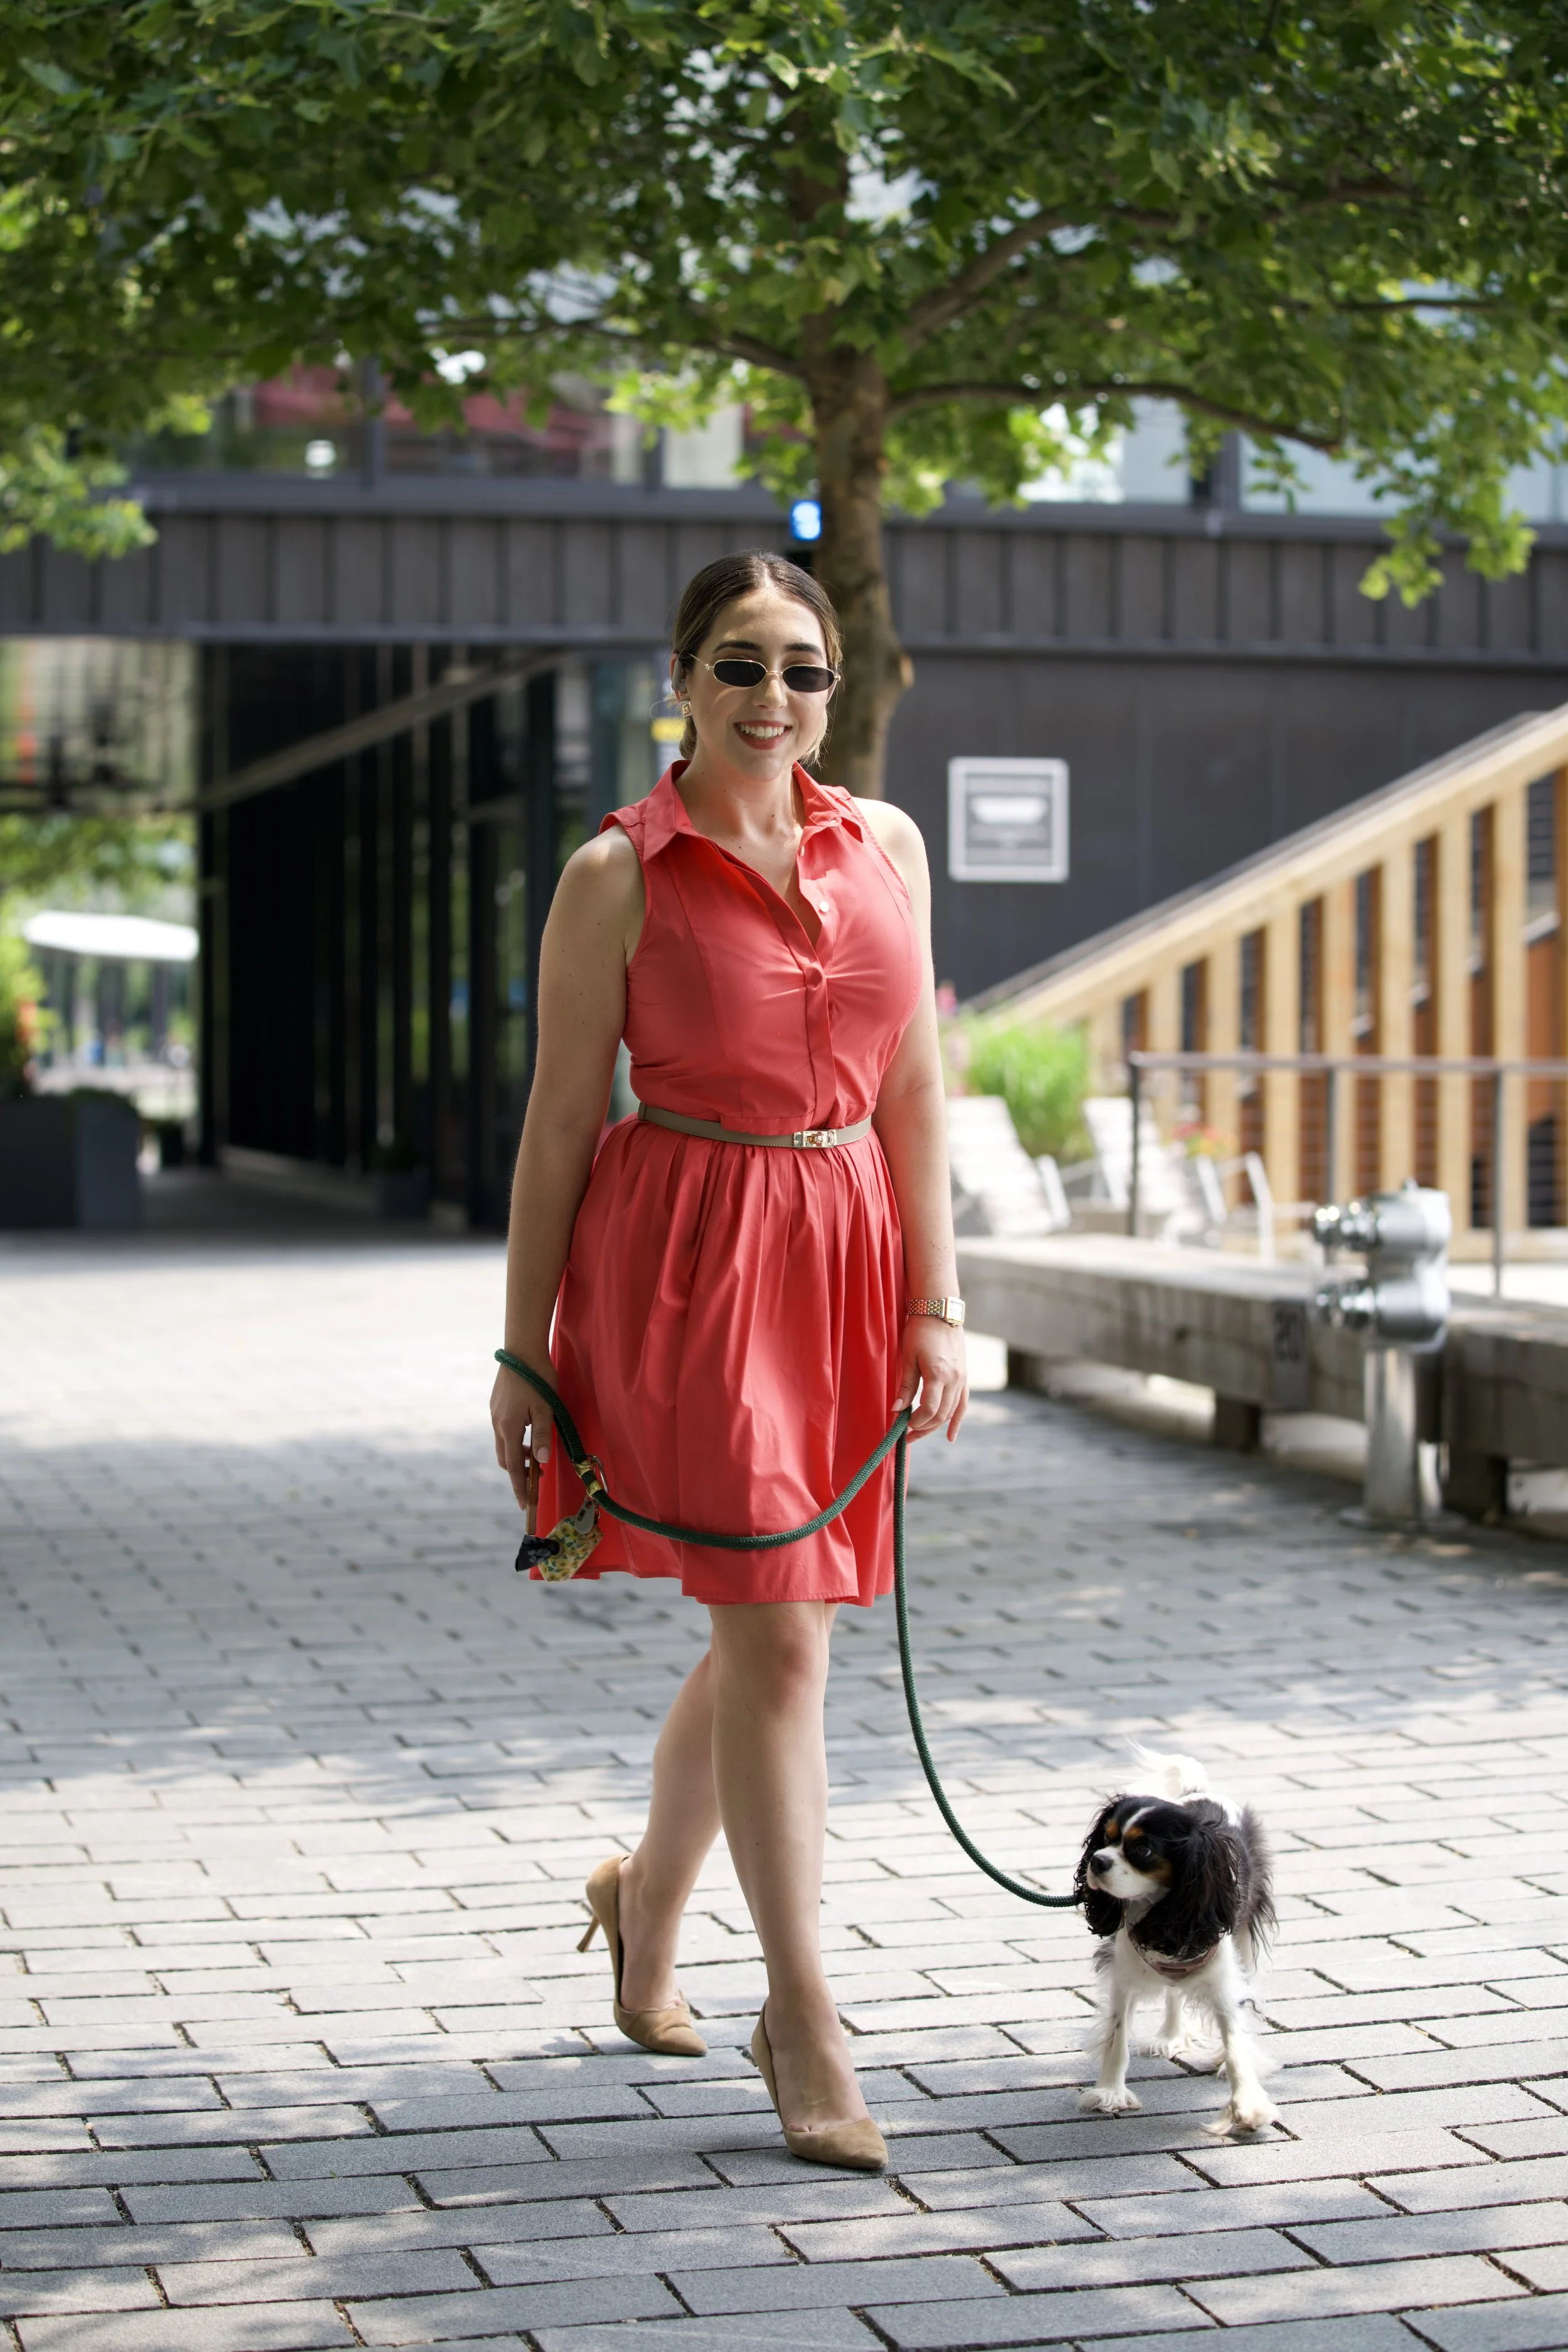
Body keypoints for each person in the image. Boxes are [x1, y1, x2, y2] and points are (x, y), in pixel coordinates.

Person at [490, 549, 967, 2170]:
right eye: (741, 664)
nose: (774, 696)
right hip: (691, 1264)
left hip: (847, 1260)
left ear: (835, 687)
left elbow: (916, 1091)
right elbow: (561, 1121)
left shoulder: (887, 845)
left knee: (781, 1621)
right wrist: (524, 1351)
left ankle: (646, 1901)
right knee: (778, 1631)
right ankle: (803, 2013)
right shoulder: (614, 873)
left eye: (803, 668)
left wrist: (937, 1303)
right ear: (683, 679)